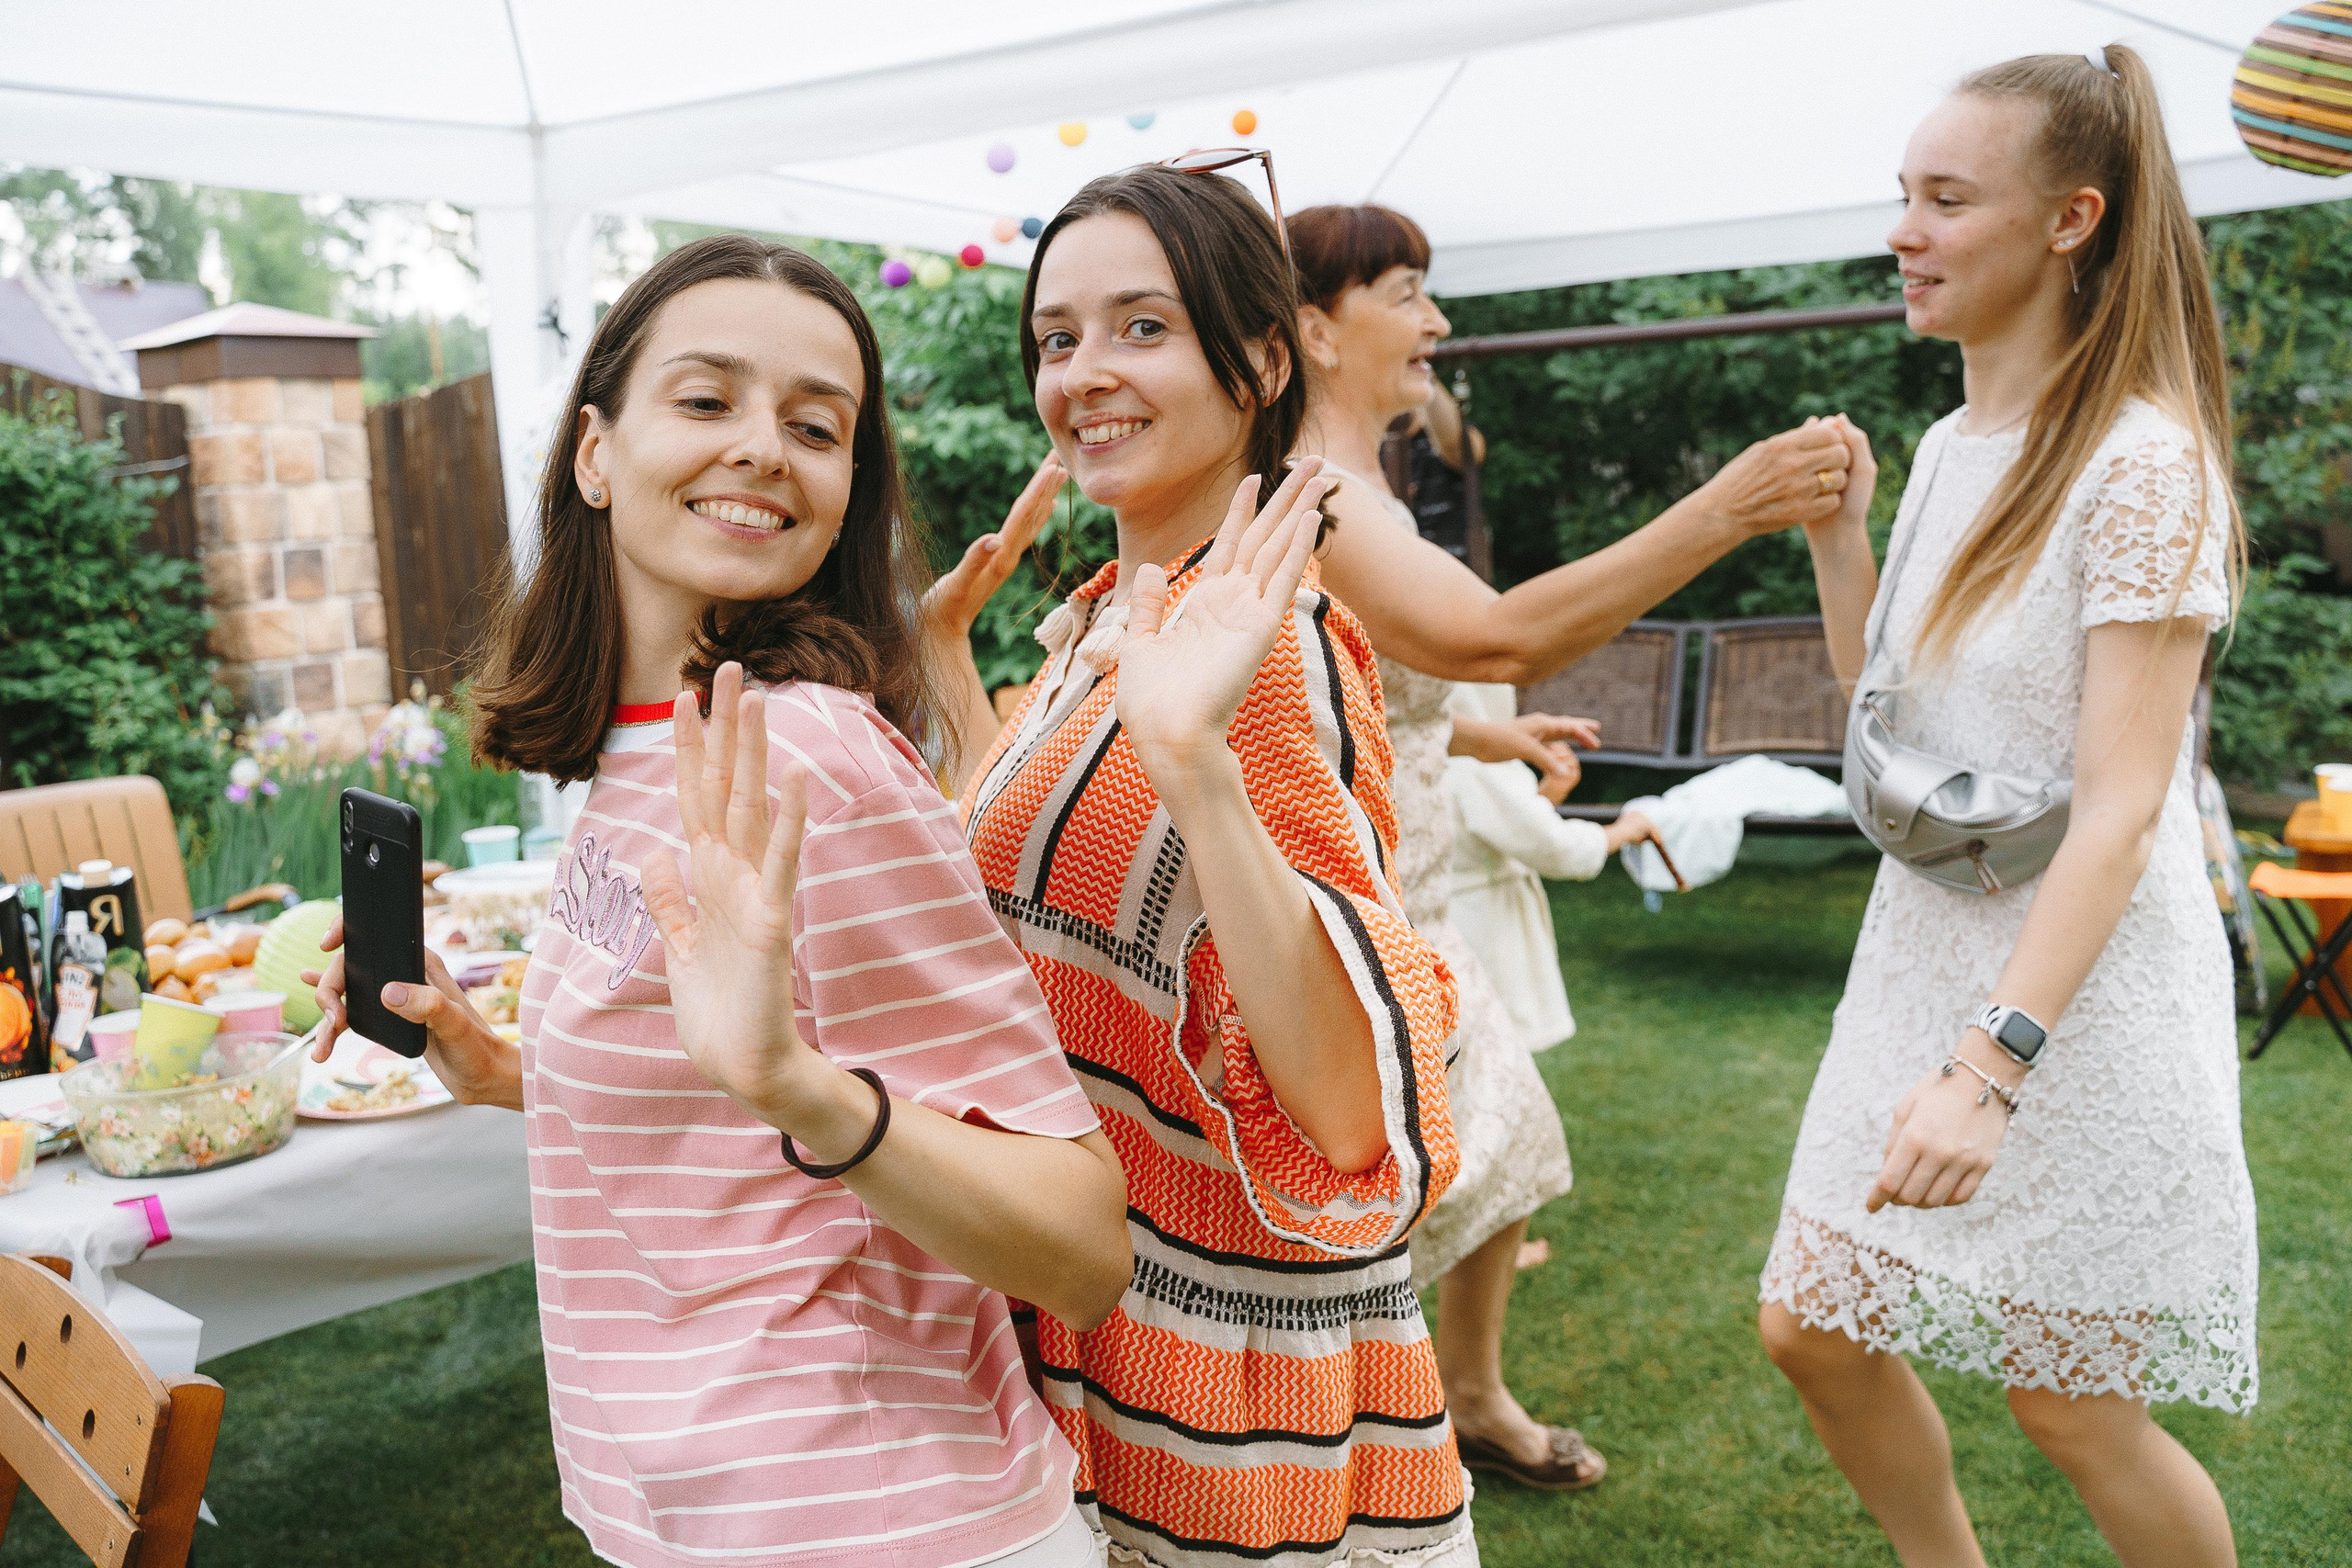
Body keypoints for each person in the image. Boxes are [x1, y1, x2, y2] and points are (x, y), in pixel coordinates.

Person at [304, 234, 1132, 1568]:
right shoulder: (647, 739)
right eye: (707, 400)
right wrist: (502, 1062)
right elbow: (713, 1090)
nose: (764, 446)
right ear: (593, 450)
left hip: (872, 1517)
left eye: (817, 424)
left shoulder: (813, 756)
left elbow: (1084, 1244)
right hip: (692, 1507)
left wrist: (802, 1085)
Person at [1758, 47, 2255, 1568]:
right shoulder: (1945, 447)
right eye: (1903, 195)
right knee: (1810, 1327)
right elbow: (1889, 714)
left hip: (2080, 983)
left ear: (2068, 220)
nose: (1905, 230)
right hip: (1925, 945)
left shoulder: (2145, 465)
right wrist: (1844, 539)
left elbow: (2122, 808)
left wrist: (1991, 1066)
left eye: (1946, 199)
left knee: (2073, 1403)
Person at [938, 164, 1472, 1567]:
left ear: (1259, 361)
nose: (1083, 374)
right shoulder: (1108, 621)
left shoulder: (1271, 655)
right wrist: (949, 677)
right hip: (1097, 1336)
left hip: (1227, 1415)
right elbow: (1046, 911)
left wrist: (1198, 758)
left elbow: (1351, 1106)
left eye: (1140, 327)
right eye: (1057, 338)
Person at [1283, 198, 1859, 1489]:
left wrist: (1492, 737)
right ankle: (1328, 1431)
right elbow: (1495, 636)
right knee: (1380, 1188)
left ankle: (1466, 1394)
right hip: (1354, 905)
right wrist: (1725, 506)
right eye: (1407, 292)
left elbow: (1368, 681)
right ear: (1315, 327)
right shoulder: (1314, 489)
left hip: (1415, 886)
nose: (1436, 321)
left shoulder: (1362, 479)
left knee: (1509, 1138)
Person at [1442, 682, 1659, 1055]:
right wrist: (1623, 831)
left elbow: (1502, 834)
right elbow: (1556, 849)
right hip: (1482, 929)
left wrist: (1551, 790)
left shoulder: (1422, 755)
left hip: (1445, 916)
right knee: (1489, 1050)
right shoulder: (1479, 763)